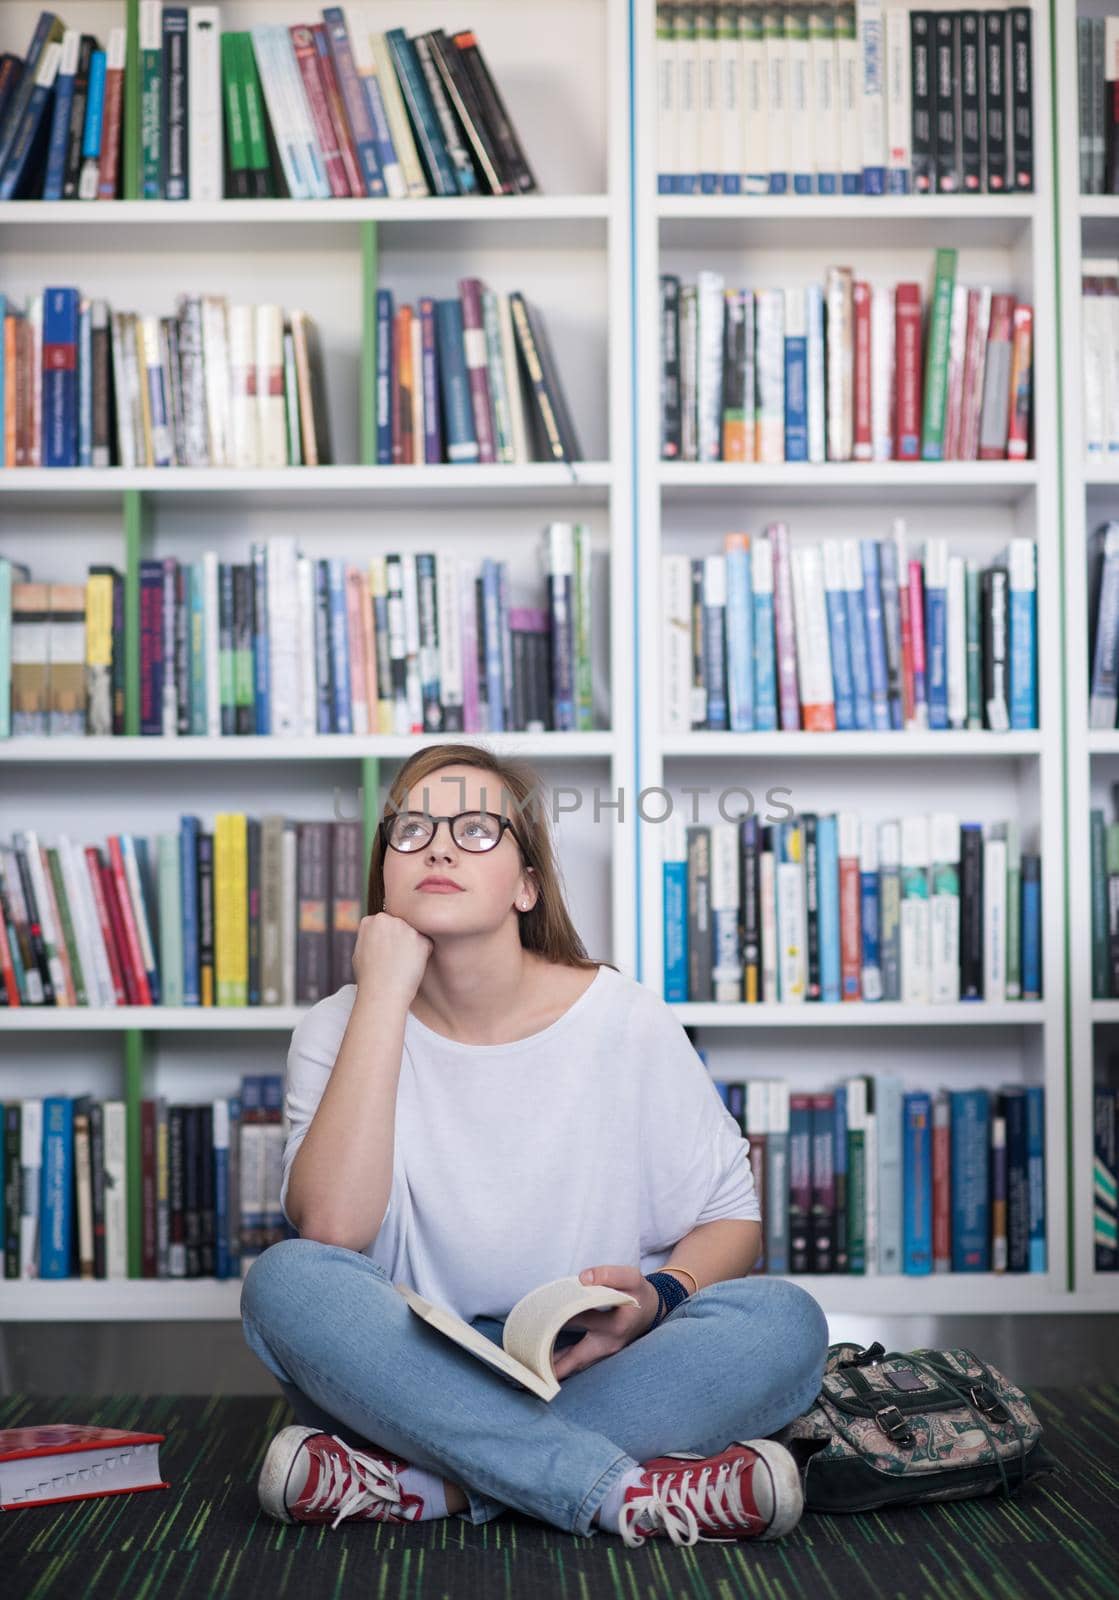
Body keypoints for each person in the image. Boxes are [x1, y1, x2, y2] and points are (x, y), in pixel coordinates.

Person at [240, 742, 828, 1548]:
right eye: (410, 830)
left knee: (783, 1322)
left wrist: (658, 1298)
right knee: (287, 1282)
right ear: (384, 878)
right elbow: (333, 1231)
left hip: (590, 1366)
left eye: (475, 829)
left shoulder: (623, 1018)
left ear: (525, 884)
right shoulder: (338, 1024)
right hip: (407, 1371)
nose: (438, 846)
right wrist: (381, 993)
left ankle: (430, 1485)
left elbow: (732, 1222)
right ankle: (622, 1490)